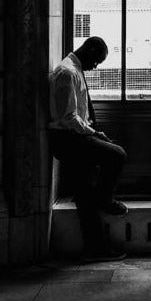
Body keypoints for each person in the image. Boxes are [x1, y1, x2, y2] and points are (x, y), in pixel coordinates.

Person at [49, 36, 128, 260]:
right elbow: (69, 118)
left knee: (84, 195)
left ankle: (95, 249)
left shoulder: (73, 69)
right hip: (69, 138)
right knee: (117, 155)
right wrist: (94, 133)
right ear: (89, 50)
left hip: (70, 137)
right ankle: (105, 199)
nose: (95, 67)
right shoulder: (67, 73)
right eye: (97, 61)